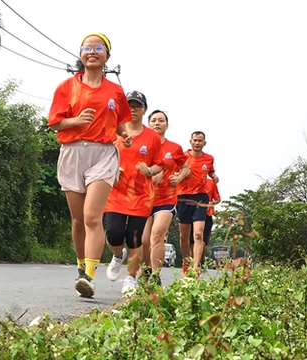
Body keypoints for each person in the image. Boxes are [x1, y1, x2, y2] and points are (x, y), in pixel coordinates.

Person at [47, 33, 133, 298]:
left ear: (107, 56)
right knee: (77, 220)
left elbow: (121, 123)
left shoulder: (115, 91)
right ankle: (81, 268)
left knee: (92, 216)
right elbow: (55, 122)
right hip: (73, 152)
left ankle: (90, 276)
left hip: (103, 154)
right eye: (87, 47)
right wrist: (76, 121)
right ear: (81, 54)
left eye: (98, 48)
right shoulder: (66, 87)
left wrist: (126, 133)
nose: (92, 51)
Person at [104, 91, 164, 295]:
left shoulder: (152, 137)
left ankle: (130, 278)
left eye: (137, 106)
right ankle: (117, 255)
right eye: (129, 105)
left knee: (135, 238)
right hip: (116, 192)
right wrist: (113, 168)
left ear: (144, 109)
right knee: (114, 234)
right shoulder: (115, 132)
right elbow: (103, 156)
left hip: (141, 196)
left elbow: (159, 165)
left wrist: (149, 171)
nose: (133, 109)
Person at [140, 110, 189, 283]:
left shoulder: (174, 148)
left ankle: (155, 276)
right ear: (148, 124)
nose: (157, 123)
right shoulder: (142, 146)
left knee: (156, 236)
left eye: (161, 120)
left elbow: (185, 167)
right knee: (144, 241)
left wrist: (179, 177)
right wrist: (151, 178)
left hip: (166, 199)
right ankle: (145, 272)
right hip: (144, 198)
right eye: (153, 120)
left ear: (167, 125)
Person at [177, 131, 219, 276]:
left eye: (200, 141)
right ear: (190, 142)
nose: (197, 143)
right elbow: (172, 172)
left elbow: (210, 171)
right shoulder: (182, 157)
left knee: (198, 234)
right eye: (195, 140)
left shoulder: (209, 158)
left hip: (201, 198)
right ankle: (185, 261)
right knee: (184, 235)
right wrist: (181, 174)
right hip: (183, 197)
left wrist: (214, 176)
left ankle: (195, 267)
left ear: (204, 143)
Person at [189, 177, 221, 261]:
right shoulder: (190, 181)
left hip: (207, 215)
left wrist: (210, 204)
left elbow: (218, 199)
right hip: (192, 214)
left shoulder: (211, 183)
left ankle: (200, 260)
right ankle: (193, 260)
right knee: (192, 240)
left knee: (202, 239)